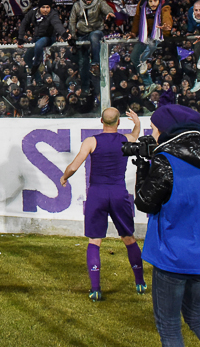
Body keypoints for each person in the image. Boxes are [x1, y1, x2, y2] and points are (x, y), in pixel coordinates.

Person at [133, 104, 200, 346]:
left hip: (174, 254)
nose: (152, 135)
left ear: (166, 130)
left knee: (169, 327)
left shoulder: (167, 160)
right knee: (197, 318)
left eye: (154, 129)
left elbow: (144, 202)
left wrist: (144, 163)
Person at [60, 108, 144, 301]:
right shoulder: (125, 140)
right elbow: (135, 136)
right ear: (119, 122)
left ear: (101, 121)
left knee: (95, 240)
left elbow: (74, 166)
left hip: (97, 193)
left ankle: (96, 288)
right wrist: (137, 123)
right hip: (118, 192)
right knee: (128, 238)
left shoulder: (91, 141)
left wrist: (64, 177)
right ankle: (139, 282)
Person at [68, 0, 115, 91]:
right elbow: (72, 21)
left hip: (96, 30)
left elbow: (106, 8)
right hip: (82, 33)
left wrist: (109, 13)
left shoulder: (99, 2)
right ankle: (85, 88)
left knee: (94, 37)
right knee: (83, 62)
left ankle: (95, 63)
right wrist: (73, 37)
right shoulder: (77, 5)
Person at [130, 0, 173, 95]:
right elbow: (137, 18)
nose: (153, 4)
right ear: (147, 1)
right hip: (144, 35)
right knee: (134, 57)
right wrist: (133, 33)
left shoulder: (164, 6)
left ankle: (143, 60)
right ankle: (148, 84)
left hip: (157, 34)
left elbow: (166, 17)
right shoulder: (141, 5)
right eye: (150, 1)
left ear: (158, 0)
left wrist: (167, 26)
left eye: (155, 1)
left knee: (151, 46)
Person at [19, 0, 70, 81]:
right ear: (39, 8)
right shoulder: (33, 12)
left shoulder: (53, 14)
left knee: (39, 45)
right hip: (37, 37)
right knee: (27, 57)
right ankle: (38, 79)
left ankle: (36, 64)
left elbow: (57, 24)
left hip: (49, 37)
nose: (45, 9)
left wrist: (63, 34)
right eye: (43, 7)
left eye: (47, 7)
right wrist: (20, 38)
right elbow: (24, 23)